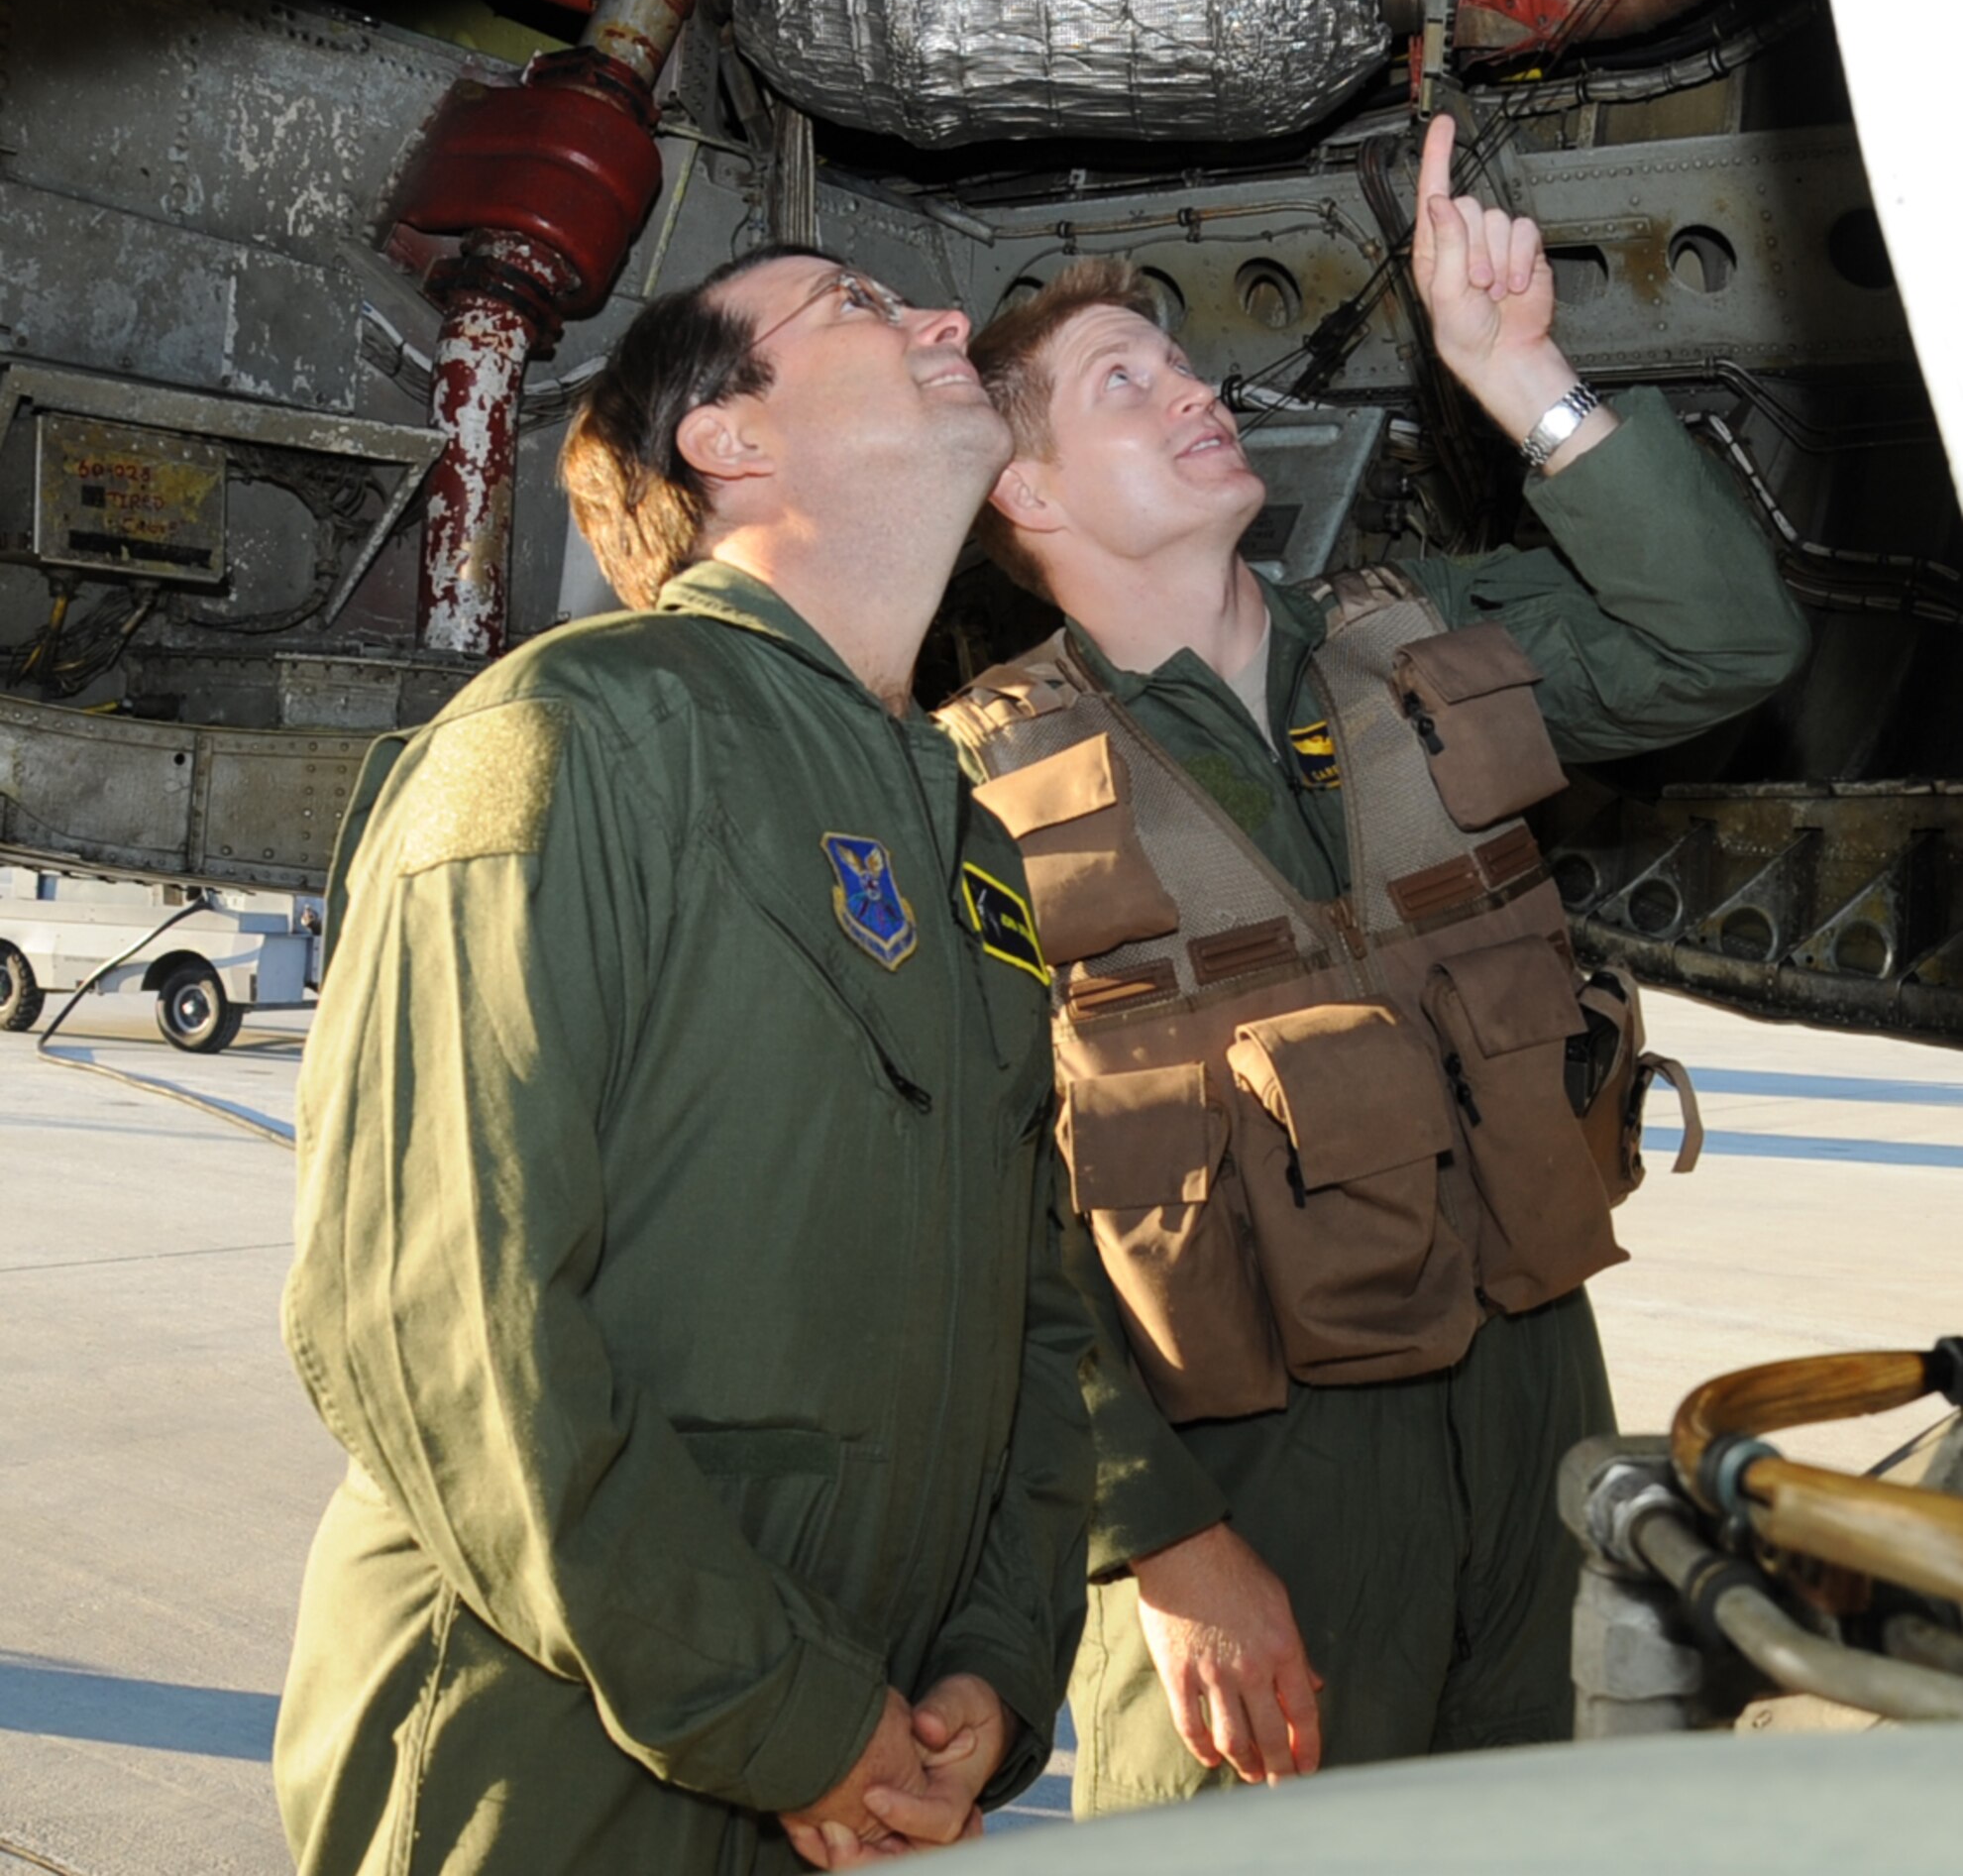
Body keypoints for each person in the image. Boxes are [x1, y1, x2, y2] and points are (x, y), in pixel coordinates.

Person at [937, 113, 1809, 1813]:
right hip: (1262, 1460)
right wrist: (1165, 1541)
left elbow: (1728, 639)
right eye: (1127, 382)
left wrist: (1524, 374)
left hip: (1533, 1393)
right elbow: (977, 1231)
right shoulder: (970, 789)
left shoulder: (1415, 641)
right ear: (1019, 491)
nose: (1197, 392)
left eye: (1187, 368)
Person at [274, 246, 1093, 1876]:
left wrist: (990, 1671)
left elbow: (1038, 1310)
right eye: (860, 304)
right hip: (560, 1758)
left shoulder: (961, 833)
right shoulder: (572, 733)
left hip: (873, 1749)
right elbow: (430, 1304)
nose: (945, 322)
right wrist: (777, 1711)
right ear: (726, 437)